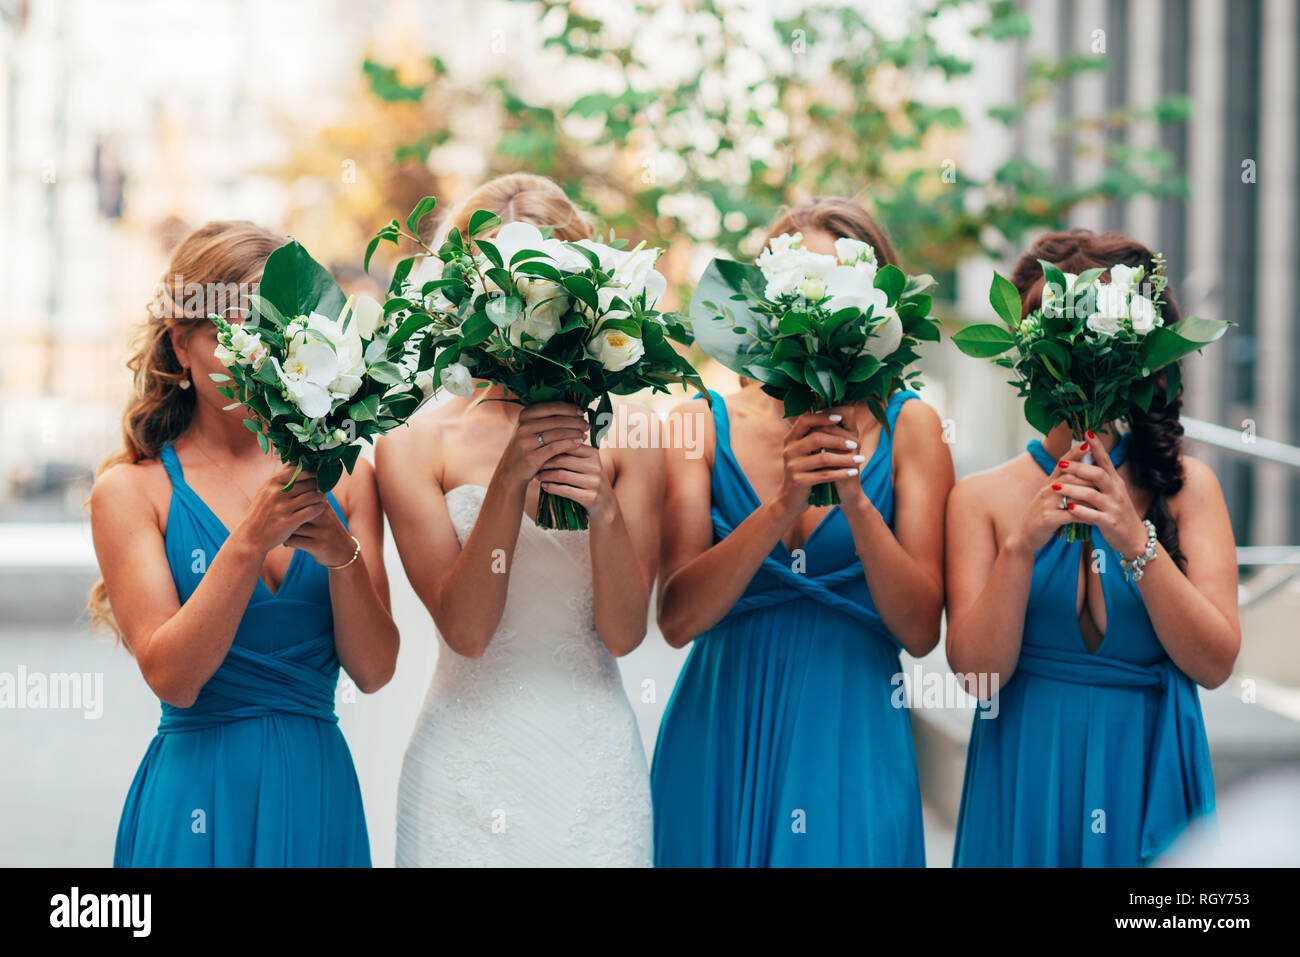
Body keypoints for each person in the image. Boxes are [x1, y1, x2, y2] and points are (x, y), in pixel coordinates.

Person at [651, 198, 953, 866]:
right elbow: (676, 620)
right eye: (803, 285)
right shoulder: (698, 423)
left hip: (854, 727)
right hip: (722, 728)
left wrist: (856, 498)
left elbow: (920, 628)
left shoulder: (913, 428)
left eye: (840, 284)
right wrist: (783, 502)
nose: (821, 306)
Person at [89, 221, 398, 866]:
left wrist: (343, 556)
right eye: (225, 332)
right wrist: (249, 542)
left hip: (318, 795)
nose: (253, 351)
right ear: (181, 347)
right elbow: (173, 678)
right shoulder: (131, 493)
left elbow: (374, 671)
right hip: (198, 798)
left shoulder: (348, 476)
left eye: (270, 330)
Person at [380, 174, 660, 866]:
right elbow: (468, 632)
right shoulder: (413, 445)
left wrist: (604, 510)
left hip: (592, 767)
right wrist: (508, 481)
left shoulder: (636, 434)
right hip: (465, 772)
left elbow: (625, 633)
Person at [946, 229, 1240, 866]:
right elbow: (976, 678)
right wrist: (1020, 548)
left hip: (1143, 767)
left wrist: (1137, 542)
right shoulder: (980, 499)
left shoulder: (1191, 490)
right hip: (1025, 769)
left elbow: (1215, 665)